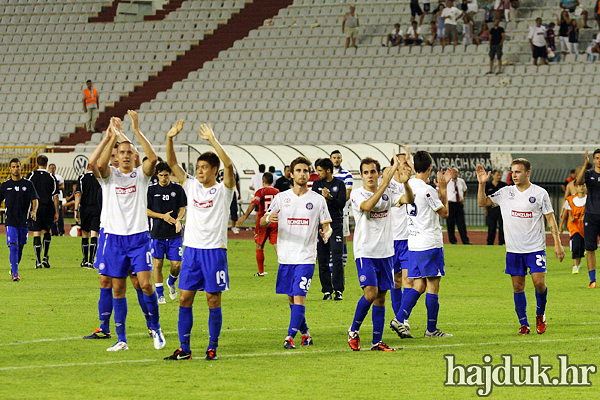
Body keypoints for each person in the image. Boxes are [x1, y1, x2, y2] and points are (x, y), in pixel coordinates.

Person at [164, 120, 236, 361]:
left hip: (214, 251)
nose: (199, 170)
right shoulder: (192, 186)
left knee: (212, 299)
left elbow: (229, 165)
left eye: (204, 167)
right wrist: (170, 138)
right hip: (192, 251)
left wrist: (213, 140)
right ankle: (184, 349)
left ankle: (212, 347)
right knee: (185, 298)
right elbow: (173, 163)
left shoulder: (224, 189)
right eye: (198, 166)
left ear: (215, 170)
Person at [94, 111, 165, 352]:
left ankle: (156, 328)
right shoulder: (109, 177)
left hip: (138, 238)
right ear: (117, 156)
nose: (125, 156)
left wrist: (135, 131)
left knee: (145, 285)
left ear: (135, 156)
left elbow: (153, 159)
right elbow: (99, 164)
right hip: (114, 238)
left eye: (129, 152)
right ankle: (121, 339)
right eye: (121, 152)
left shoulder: (141, 177)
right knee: (118, 288)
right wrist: (111, 137)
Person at [477, 159, 565, 335]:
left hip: (535, 248)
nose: (514, 175)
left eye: (518, 172)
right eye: (512, 171)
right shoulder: (505, 192)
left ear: (527, 173)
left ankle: (540, 315)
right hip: (514, 250)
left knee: (539, 283)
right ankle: (524, 324)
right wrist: (482, 184)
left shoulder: (540, 193)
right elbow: (482, 202)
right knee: (518, 287)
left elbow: (550, 218)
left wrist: (557, 243)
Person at [84, 127, 154, 342]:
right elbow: (93, 164)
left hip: (133, 235)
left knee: (136, 281)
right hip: (109, 234)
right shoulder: (108, 177)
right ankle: (104, 327)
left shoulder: (135, 175)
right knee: (105, 281)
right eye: (114, 154)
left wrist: (125, 133)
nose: (117, 158)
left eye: (121, 154)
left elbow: (147, 159)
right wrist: (109, 136)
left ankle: (152, 324)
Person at [261, 157, 332, 350]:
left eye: (306, 171)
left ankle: (290, 336)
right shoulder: (281, 197)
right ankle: (306, 333)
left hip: (306, 257)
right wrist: (268, 218)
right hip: (286, 257)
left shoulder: (317, 200)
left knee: (299, 296)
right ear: (291, 174)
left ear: (310, 174)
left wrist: (326, 233)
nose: (302, 174)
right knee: (291, 298)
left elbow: (327, 225)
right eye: (298, 170)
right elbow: (261, 221)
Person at [347, 155, 412, 352]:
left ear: (377, 173)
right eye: (366, 173)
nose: (370, 176)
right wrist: (384, 184)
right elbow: (367, 207)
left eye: (373, 172)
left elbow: (408, 199)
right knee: (370, 293)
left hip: (386, 252)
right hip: (365, 251)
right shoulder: (357, 194)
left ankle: (377, 342)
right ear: (361, 175)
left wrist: (406, 183)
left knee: (381, 297)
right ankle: (353, 330)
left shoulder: (387, 192)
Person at [391, 151, 453, 339]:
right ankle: (431, 329)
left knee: (419, 284)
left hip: (414, 243)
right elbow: (444, 213)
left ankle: (399, 318)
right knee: (433, 285)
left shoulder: (408, 187)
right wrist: (444, 189)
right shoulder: (428, 190)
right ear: (429, 168)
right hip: (429, 243)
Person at [147, 162, 187, 304]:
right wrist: (162, 216)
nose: (163, 178)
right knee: (157, 264)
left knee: (177, 265)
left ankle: (171, 281)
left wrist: (178, 219)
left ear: (170, 174)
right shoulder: (151, 190)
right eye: (161, 175)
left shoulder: (177, 189)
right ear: (157, 175)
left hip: (174, 233)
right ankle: (160, 294)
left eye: (166, 175)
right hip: (157, 233)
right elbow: (145, 210)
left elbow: (182, 207)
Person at [312, 158, 346, 300]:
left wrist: (330, 197)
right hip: (321, 225)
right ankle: (327, 291)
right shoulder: (316, 184)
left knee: (337, 258)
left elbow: (341, 204)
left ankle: (338, 290)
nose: (317, 173)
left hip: (336, 224)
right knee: (322, 258)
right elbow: (313, 205)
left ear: (328, 170)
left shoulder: (339, 184)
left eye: (320, 170)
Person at [0, 158, 39, 281]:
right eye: (13, 167)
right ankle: (15, 274)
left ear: (21, 168)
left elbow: (35, 200)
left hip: (24, 221)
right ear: (10, 169)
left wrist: (34, 211)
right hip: (11, 221)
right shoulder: (5, 186)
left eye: (17, 166)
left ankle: (14, 268)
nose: (16, 169)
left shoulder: (28, 184)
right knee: (14, 246)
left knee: (20, 247)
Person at [238, 172, 279, 277]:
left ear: (263, 181)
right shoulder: (278, 192)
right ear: (272, 181)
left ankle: (261, 272)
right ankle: (286, 268)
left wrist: (244, 216)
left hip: (263, 222)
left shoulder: (260, 191)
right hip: (275, 221)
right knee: (277, 245)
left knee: (260, 245)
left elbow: (253, 204)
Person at [27, 155, 59, 269]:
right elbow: (55, 196)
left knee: (36, 233)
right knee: (47, 231)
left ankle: (38, 261)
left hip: (35, 208)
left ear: (37, 163)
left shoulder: (31, 176)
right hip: (48, 207)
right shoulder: (51, 177)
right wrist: (56, 212)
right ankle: (45, 256)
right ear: (46, 164)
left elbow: (27, 193)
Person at [575, 150, 600, 289]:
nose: (599, 160)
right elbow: (578, 181)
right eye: (597, 158)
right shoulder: (589, 174)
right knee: (590, 248)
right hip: (590, 216)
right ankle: (592, 280)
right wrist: (585, 164)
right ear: (594, 160)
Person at [74, 165, 101, 269]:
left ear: (86, 168)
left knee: (85, 233)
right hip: (97, 208)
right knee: (94, 233)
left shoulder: (82, 178)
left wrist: (76, 209)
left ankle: (85, 260)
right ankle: (91, 261)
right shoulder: (100, 178)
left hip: (85, 209)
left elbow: (78, 194)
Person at [559, 182, 588, 277]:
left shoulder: (589, 199)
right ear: (575, 187)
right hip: (573, 227)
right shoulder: (570, 199)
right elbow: (566, 212)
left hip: (584, 227)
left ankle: (579, 263)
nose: (581, 188)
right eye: (579, 185)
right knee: (575, 244)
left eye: (583, 185)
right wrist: (561, 225)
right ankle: (575, 265)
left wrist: (586, 216)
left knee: (581, 246)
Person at [331, 150, 353, 269]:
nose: (336, 160)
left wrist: (334, 203)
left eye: (338, 157)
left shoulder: (347, 175)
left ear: (341, 159)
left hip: (342, 212)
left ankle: (341, 269)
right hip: (329, 212)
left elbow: (347, 195)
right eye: (334, 157)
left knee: (342, 239)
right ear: (331, 160)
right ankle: (331, 269)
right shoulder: (327, 175)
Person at [445, 167, 471, 245]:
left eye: (456, 172)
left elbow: (465, 190)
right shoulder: (447, 181)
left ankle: (465, 240)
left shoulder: (461, 181)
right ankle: (453, 241)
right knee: (450, 224)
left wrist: (464, 197)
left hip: (459, 204)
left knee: (461, 223)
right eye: (453, 172)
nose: (455, 174)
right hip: (450, 203)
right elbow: (439, 189)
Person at [485, 169, 507, 245]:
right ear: (492, 175)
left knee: (502, 226)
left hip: (501, 209)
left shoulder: (504, 185)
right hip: (491, 209)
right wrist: (485, 209)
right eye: (497, 175)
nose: (499, 177)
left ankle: (502, 242)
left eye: (500, 175)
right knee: (491, 226)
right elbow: (484, 198)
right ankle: (490, 242)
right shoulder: (487, 185)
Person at [218, 168, 242, 234]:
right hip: (221, 192)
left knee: (234, 210)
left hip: (231, 192)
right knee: (220, 210)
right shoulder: (220, 172)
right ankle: (220, 226)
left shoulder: (234, 172)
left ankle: (233, 226)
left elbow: (237, 183)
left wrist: (239, 193)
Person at [47, 163, 65, 236]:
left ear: (55, 169)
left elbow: (62, 186)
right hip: (50, 199)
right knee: (51, 216)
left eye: (53, 168)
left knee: (59, 215)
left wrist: (55, 188)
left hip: (58, 198)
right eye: (50, 168)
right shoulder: (47, 177)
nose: (52, 169)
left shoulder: (59, 177)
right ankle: (54, 231)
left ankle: (61, 231)